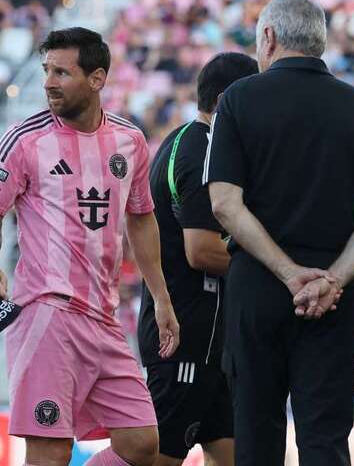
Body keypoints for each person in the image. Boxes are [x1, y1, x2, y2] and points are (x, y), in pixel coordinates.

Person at [203, 0, 354, 466]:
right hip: (333, 296)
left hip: (258, 288)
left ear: (269, 37)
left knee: (256, 439)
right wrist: (333, 278)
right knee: (325, 441)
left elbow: (224, 204)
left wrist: (289, 273)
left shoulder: (238, 100)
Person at [0, 27, 180, 466]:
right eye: (46, 70)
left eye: (62, 73)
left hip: (103, 316)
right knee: (50, 451)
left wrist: (161, 297)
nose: (49, 82)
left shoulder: (130, 140)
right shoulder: (25, 139)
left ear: (97, 78)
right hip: (46, 312)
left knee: (142, 444)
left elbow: (141, 218)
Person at [138, 52, 258, 466]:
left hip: (211, 340)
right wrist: (273, 267)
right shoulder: (202, 149)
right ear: (227, 101)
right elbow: (201, 249)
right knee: (159, 457)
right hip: (186, 335)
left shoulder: (185, 140)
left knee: (231, 455)